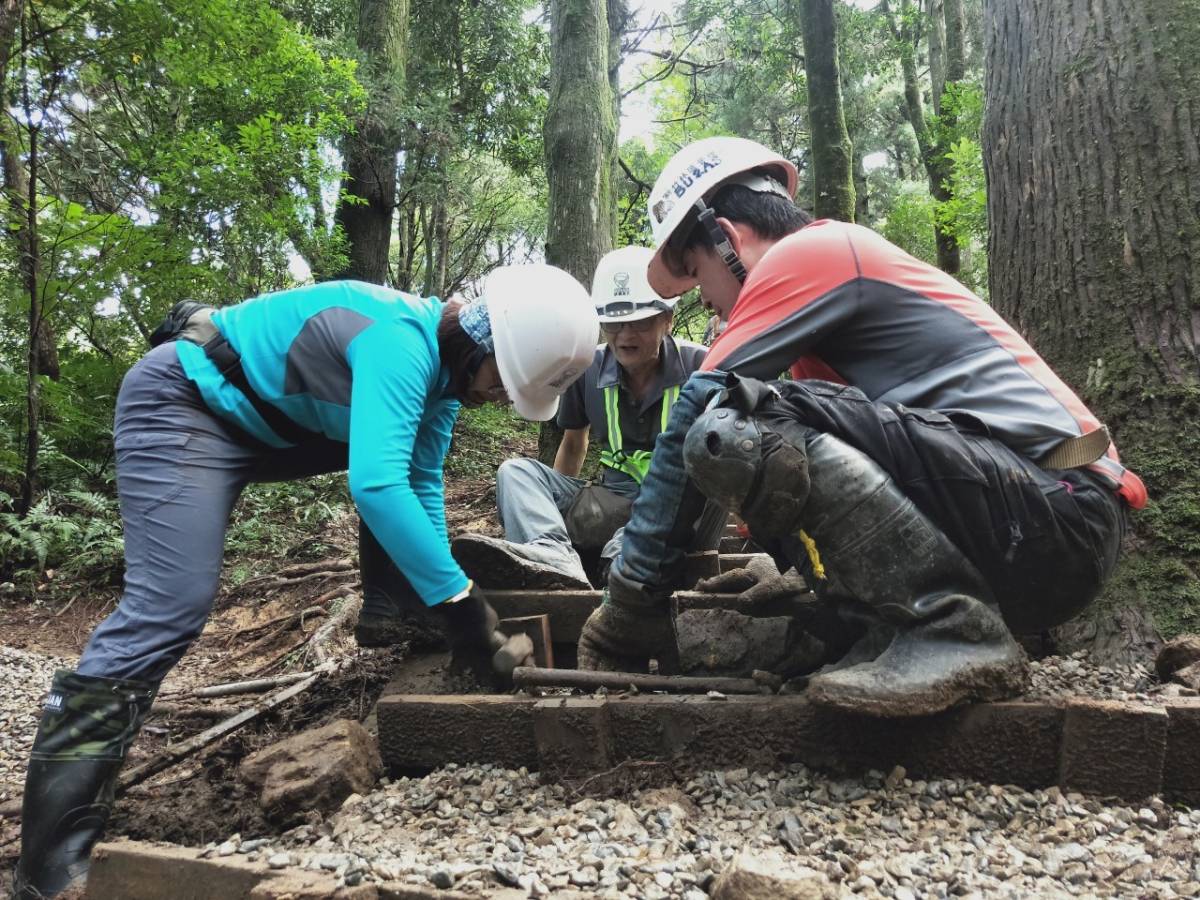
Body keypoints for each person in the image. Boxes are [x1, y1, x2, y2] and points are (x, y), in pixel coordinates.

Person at [10, 265, 598, 900]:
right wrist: (462, 606)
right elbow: (376, 484)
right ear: (483, 345)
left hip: (264, 425)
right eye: (502, 382)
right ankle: (49, 857)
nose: (498, 397)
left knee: (397, 471)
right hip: (182, 402)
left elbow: (420, 483)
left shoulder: (443, 382)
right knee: (170, 605)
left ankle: (393, 607)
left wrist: (447, 601)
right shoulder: (400, 340)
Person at [577, 135, 1145, 714]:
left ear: (728, 238)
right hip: (1031, 524)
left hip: (1061, 512)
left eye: (698, 274)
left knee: (731, 428)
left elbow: (698, 412)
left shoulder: (813, 252)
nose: (707, 302)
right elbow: (872, 476)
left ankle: (950, 630)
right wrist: (811, 576)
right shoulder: (820, 330)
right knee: (765, 419)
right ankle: (895, 628)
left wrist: (629, 601)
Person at [452, 246, 725, 590]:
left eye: (640, 322)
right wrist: (552, 510)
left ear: (667, 319)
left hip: (679, 509)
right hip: (612, 502)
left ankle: (622, 565)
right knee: (515, 473)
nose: (625, 334)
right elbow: (573, 445)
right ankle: (553, 556)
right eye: (613, 322)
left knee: (703, 492)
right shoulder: (587, 369)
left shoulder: (702, 365)